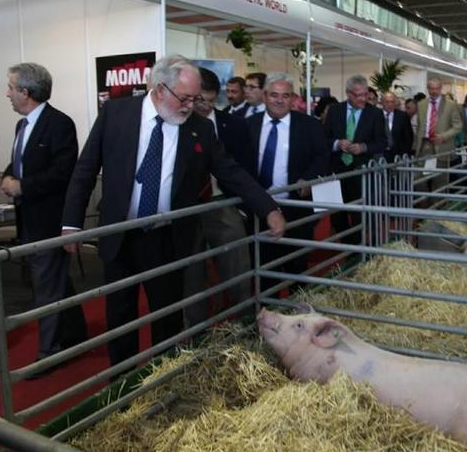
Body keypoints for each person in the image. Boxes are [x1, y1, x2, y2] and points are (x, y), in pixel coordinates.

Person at [60, 55, 285, 369]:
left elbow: (231, 172)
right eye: (184, 97)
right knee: (120, 314)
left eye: (195, 99)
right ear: (159, 88)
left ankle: (160, 378)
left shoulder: (199, 129)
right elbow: (85, 170)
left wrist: (268, 208)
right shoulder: (116, 113)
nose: (190, 105)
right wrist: (71, 223)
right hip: (119, 233)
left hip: (166, 237)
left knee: (166, 315)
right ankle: (121, 386)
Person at [1, 63, 87, 373]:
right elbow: (21, 163)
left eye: (11, 87)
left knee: (46, 287)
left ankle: (48, 353)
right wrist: (10, 176)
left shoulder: (59, 124)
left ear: (25, 92)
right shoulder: (22, 125)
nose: (7, 93)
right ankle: (75, 333)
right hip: (29, 219)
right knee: (52, 281)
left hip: (49, 221)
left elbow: (62, 173)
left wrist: (22, 185)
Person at [183, 67, 253, 327]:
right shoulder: (179, 122)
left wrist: (244, 208)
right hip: (188, 208)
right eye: (200, 99)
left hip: (223, 202)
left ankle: (243, 321)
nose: (204, 106)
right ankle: (196, 329)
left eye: (211, 101)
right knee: (192, 273)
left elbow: (245, 167)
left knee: (237, 266)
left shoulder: (234, 125)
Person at [245, 73, 328, 294]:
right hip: (259, 211)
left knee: (297, 268)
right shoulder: (247, 126)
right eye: (274, 95)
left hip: (297, 210)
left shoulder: (310, 125)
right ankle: (267, 318)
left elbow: (323, 156)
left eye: (285, 95)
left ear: (293, 99)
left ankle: (297, 319)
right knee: (264, 271)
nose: (279, 100)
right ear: (264, 96)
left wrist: (308, 179)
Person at [324, 75, 386, 245]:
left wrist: (363, 147)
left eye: (365, 94)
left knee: (359, 213)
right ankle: (347, 244)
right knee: (337, 214)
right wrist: (337, 144)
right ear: (348, 94)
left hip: (361, 172)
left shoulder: (375, 113)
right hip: (336, 171)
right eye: (358, 95)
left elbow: (382, 142)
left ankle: (358, 247)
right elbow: (323, 138)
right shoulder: (335, 110)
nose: (363, 99)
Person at [414, 77, 462, 201]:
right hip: (424, 146)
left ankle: (437, 211)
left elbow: (458, 126)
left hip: (442, 147)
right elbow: (420, 126)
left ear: (441, 89)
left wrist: (443, 136)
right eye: (431, 89)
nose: (434, 91)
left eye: (436, 89)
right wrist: (415, 147)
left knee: (440, 182)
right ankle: (424, 209)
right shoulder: (421, 104)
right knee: (419, 180)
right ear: (428, 89)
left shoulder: (451, 105)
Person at [381, 92, 414, 161]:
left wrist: (404, 153)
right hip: (381, 154)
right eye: (387, 102)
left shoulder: (402, 116)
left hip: (398, 155)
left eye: (392, 102)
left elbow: (408, 137)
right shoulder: (376, 116)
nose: (390, 104)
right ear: (382, 102)